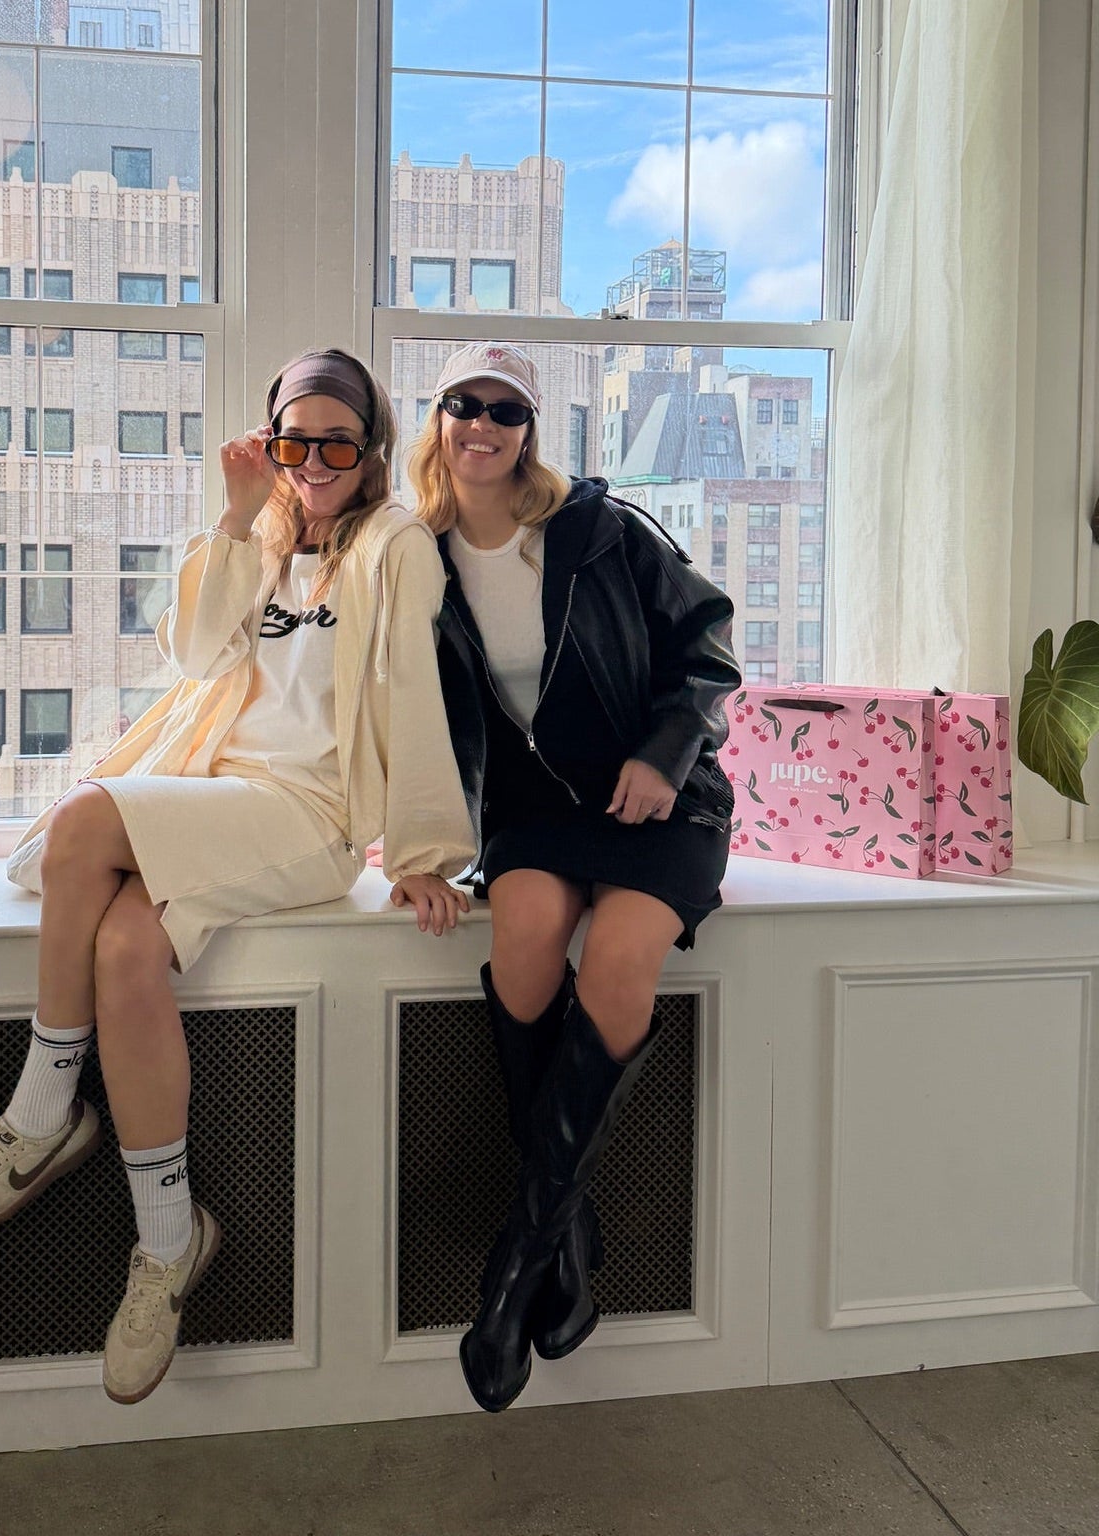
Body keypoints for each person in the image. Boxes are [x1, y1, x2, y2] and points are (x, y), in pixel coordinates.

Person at [0, 348, 474, 1406]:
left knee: (85, 820)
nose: (316, 465)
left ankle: (43, 1109)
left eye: (339, 444)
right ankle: (170, 1239)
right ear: (271, 444)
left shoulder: (395, 544)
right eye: (296, 443)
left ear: (373, 450)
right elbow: (192, 657)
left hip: (306, 816)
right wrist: (235, 516)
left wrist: (418, 854)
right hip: (213, 798)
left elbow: (414, 693)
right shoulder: (256, 538)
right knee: (126, 948)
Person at [407, 342, 740, 1413]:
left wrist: (666, 754)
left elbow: (709, 647)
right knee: (524, 940)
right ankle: (567, 1230)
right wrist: (414, 839)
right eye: (464, 404)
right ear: (439, 419)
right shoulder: (413, 554)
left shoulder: (602, 531)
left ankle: (515, 1269)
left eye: (505, 410)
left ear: (530, 430)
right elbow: (391, 699)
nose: (483, 425)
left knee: (621, 960)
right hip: (535, 811)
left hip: (658, 800)